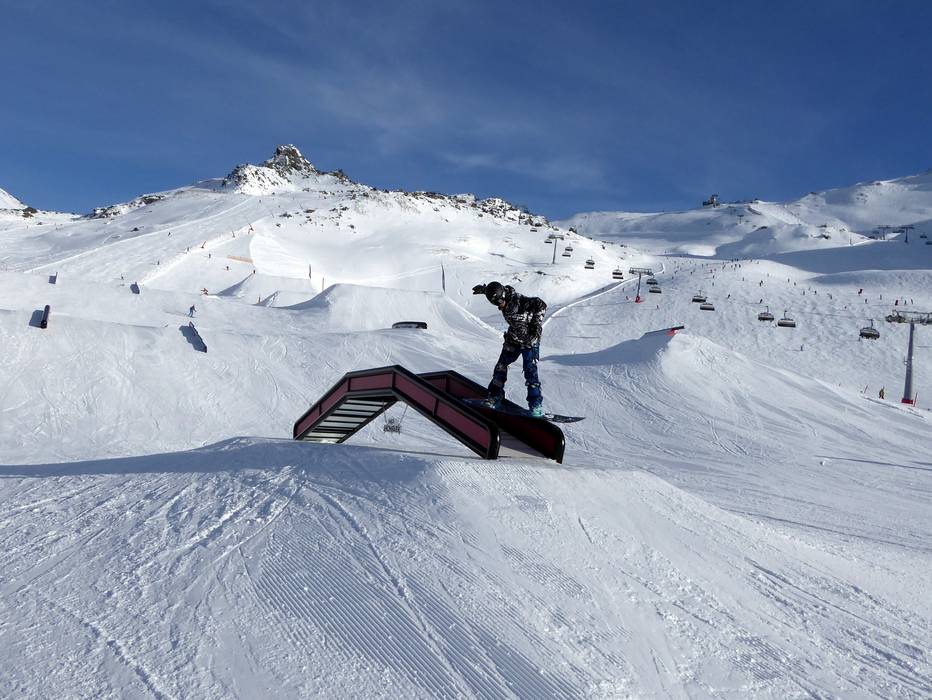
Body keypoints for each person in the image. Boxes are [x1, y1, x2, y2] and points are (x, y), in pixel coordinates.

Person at [472, 281, 546, 416]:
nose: (499, 306)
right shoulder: (501, 295)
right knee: (500, 366)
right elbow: (496, 290)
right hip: (513, 338)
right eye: (496, 304)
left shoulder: (520, 301)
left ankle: (535, 405)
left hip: (529, 341)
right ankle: (495, 397)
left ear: (503, 296)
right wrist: (485, 290)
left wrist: (535, 326)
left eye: (500, 302)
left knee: (530, 371)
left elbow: (541, 304)